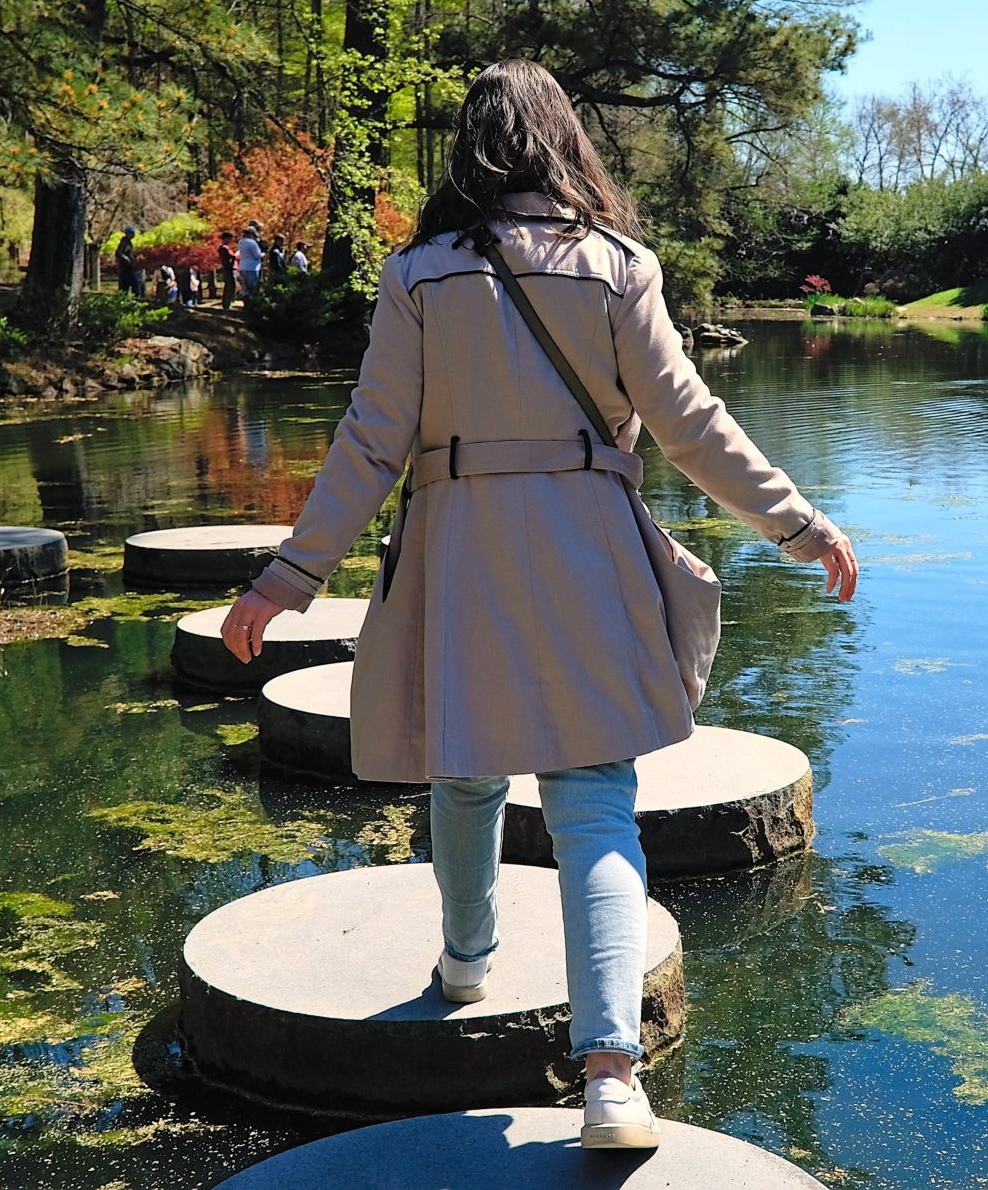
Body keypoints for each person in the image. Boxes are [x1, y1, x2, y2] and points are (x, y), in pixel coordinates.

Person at [218, 59, 858, 1152]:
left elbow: (371, 440)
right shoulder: (618, 267)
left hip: (458, 546)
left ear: (467, 151)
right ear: (568, 146)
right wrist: (797, 524)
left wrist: (290, 575)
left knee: (464, 769)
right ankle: (611, 1072)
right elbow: (691, 422)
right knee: (596, 799)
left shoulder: (417, 275)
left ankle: (464, 964)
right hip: (589, 548)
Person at [236, 223, 264, 300]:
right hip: (252, 268)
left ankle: (246, 305)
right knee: (254, 288)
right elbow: (257, 255)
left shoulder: (241, 242)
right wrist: (263, 254)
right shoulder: (252, 243)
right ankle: (253, 306)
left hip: (242, 266)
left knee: (245, 289)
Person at [115, 226, 140, 295]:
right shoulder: (124, 242)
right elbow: (119, 253)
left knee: (135, 286)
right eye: (132, 233)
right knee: (125, 287)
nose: (134, 234)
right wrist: (127, 259)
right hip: (125, 270)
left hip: (130, 268)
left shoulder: (129, 243)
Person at [217, 232, 238, 308]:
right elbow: (233, 256)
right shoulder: (224, 248)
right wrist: (237, 253)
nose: (230, 240)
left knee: (229, 286)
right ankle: (227, 303)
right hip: (229, 269)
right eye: (229, 238)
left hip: (229, 269)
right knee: (231, 286)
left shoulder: (226, 248)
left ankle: (227, 302)